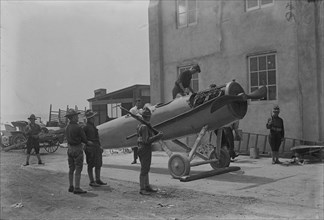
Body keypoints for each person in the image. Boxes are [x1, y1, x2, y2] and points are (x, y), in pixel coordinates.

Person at [65, 109, 93, 194]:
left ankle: (71, 186)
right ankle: (77, 187)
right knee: (78, 169)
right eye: (76, 116)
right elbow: (84, 140)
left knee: (71, 168)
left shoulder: (67, 127)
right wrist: (90, 143)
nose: (78, 117)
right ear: (73, 117)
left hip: (70, 149)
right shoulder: (78, 127)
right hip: (77, 149)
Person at [137, 107, 163, 195]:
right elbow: (146, 140)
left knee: (146, 168)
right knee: (144, 169)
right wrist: (157, 136)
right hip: (144, 148)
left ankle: (147, 186)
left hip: (143, 148)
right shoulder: (144, 126)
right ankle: (142, 188)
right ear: (148, 117)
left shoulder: (141, 125)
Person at [83, 110, 107, 187]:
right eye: (93, 117)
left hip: (96, 147)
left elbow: (97, 137)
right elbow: (82, 138)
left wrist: (100, 146)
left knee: (98, 164)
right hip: (90, 148)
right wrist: (87, 142)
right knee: (90, 164)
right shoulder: (85, 127)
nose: (94, 118)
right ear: (90, 118)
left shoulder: (93, 126)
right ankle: (92, 181)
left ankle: (98, 179)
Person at [130, 98, 143, 164]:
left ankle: (140, 160)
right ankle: (135, 159)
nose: (139, 104)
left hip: (140, 128)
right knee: (135, 146)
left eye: (140, 102)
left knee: (140, 146)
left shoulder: (140, 110)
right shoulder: (133, 110)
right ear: (136, 103)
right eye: (138, 102)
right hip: (134, 128)